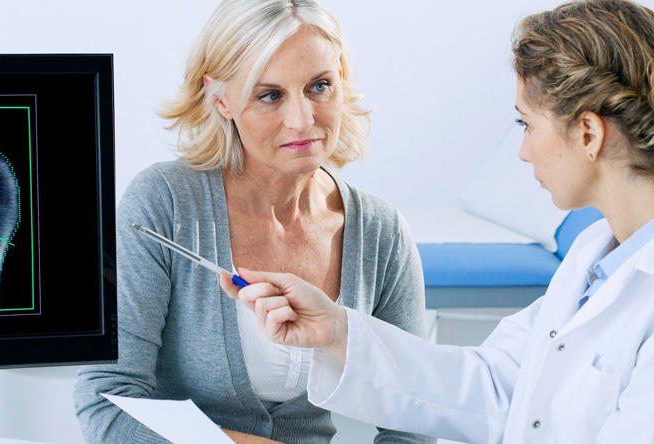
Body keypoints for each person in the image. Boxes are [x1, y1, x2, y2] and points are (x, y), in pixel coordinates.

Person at [220, 0, 654, 443]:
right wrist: (335, 330)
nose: (523, 151)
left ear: (588, 134)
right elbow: (494, 386)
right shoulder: (596, 258)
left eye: (526, 124)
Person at [74, 1, 434, 443]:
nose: (303, 119)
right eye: (270, 95)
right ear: (222, 99)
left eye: (320, 86)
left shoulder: (381, 232)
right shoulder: (164, 203)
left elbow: (414, 421)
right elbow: (106, 402)